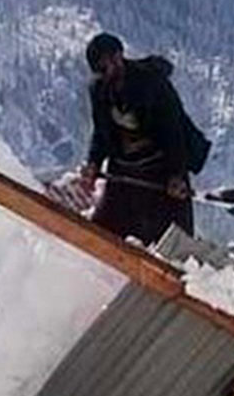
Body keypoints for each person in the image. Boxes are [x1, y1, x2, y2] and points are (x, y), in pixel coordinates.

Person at [80, 33, 211, 244]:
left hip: (160, 170)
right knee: (104, 236)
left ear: (118, 57)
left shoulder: (152, 83)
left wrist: (176, 175)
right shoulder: (98, 89)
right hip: (124, 172)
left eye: (106, 67)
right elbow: (101, 132)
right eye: (99, 70)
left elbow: (173, 131)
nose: (105, 75)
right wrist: (93, 164)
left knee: (171, 242)